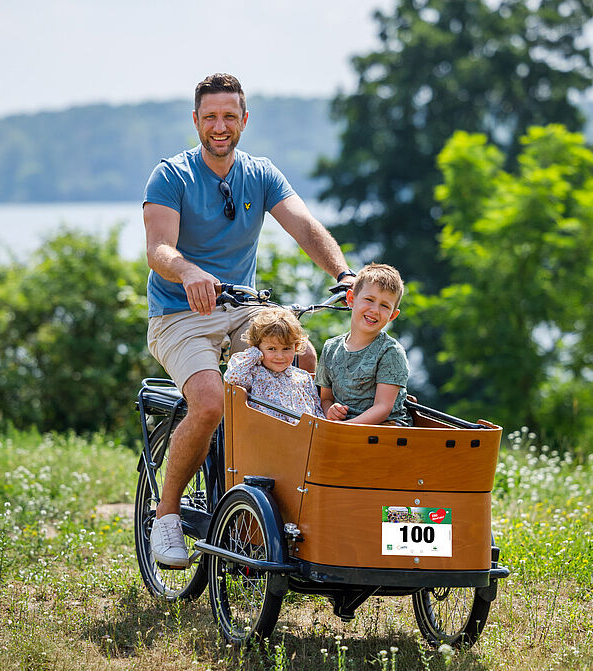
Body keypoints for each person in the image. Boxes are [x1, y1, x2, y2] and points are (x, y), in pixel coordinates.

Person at [144, 73, 355, 568]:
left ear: (244, 120)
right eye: (211, 117)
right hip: (181, 313)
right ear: (196, 121)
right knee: (210, 401)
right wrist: (189, 271)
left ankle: (275, 503)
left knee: (299, 359)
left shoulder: (260, 174)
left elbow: (304, 225)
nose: (221, 126)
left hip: (242, 308)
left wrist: (344, 274)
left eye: (230, 116)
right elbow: (159, 249)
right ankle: (168, 517)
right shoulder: (171, 176)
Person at [316, 263, 412, 426]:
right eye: (369, 299)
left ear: (392, 315)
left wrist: (346, 428)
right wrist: (331, 411)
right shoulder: (331, 347)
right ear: (351, 299)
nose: (375, 310)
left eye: (384, 306)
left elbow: (383, 408)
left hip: (384, 428)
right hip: (342, 428)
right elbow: (326, 398)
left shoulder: (390, 352)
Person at [223, 307, 323, 423]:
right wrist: (254, 352)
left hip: (303, 435)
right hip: (267, 434)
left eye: (286, 348)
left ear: (295, 348)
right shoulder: (255, 373)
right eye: (272, 349)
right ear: (258, 347)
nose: (280, 356)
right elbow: (233, 377)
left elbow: (317, 410)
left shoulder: (303, 378)